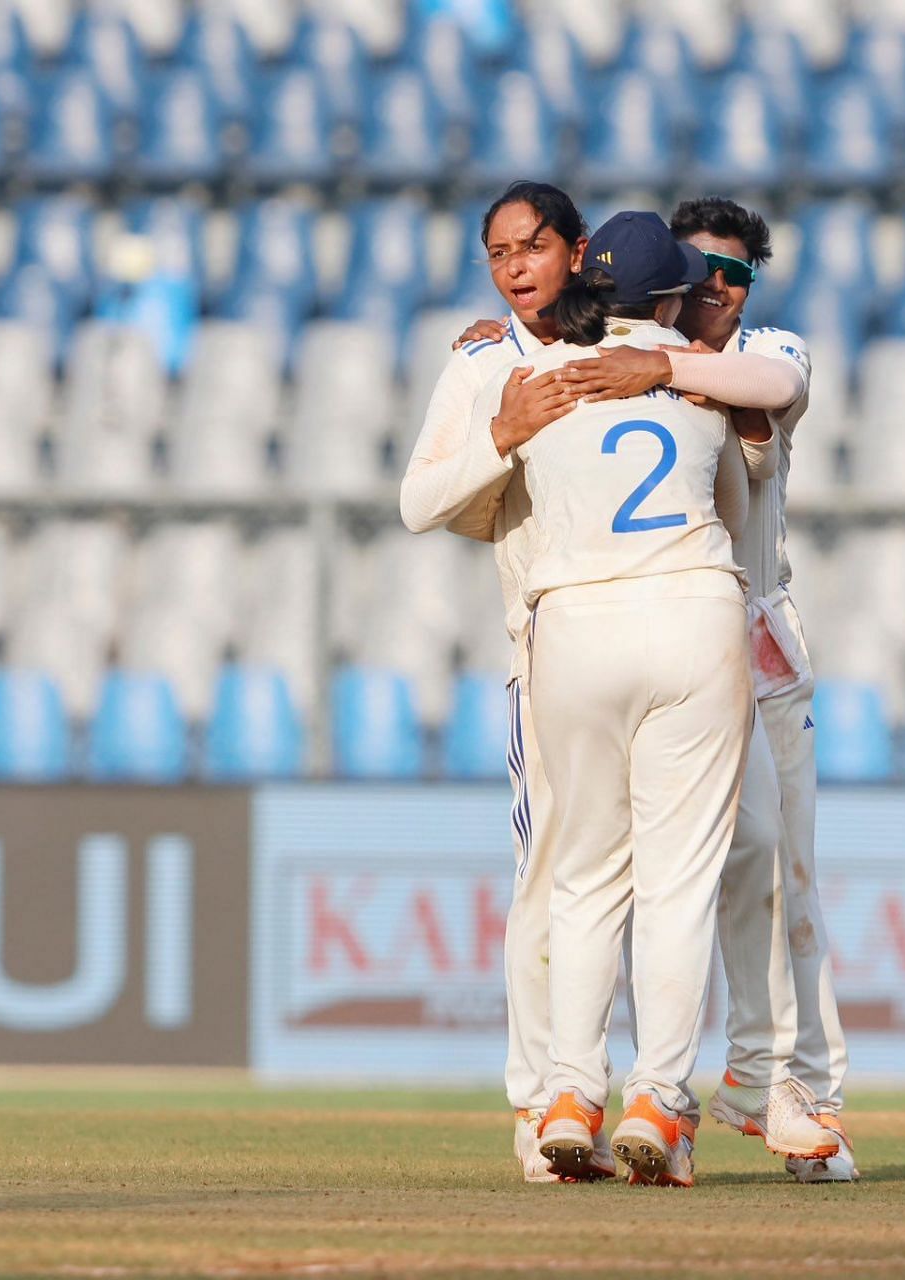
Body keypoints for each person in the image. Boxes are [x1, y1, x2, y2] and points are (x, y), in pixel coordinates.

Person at [543, 197, 858, 1182]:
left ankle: (798, 1089)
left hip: (755, 637)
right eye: (703, 270)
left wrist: (665, 364)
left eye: (736, 272)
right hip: (689, 631)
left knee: (780, 864)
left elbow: (772, 384)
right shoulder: (641, 357)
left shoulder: (758, 347)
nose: (720, 287)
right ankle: (689, 1088)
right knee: (675, 869)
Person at [475, 209, 751, 1186]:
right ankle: (657, 1101)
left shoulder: (543, 383)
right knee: (675, 882)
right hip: (687, 612)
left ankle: (568, 1092)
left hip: (576, 627)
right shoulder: (698, 384)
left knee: (584, 877)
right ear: (669, 296)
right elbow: (739, 511)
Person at [399, 181, 593, 1181]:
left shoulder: (624, 340)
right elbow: (419, 499)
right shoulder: (484, 362)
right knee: (550, 880)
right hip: (545, 651)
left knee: (646, 891)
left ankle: (623, 1089)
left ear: (577, 249)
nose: (516, 267)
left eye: (534, 246)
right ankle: (538, 1101)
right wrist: (500, 432)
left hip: (642, 645)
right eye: (499, 253)